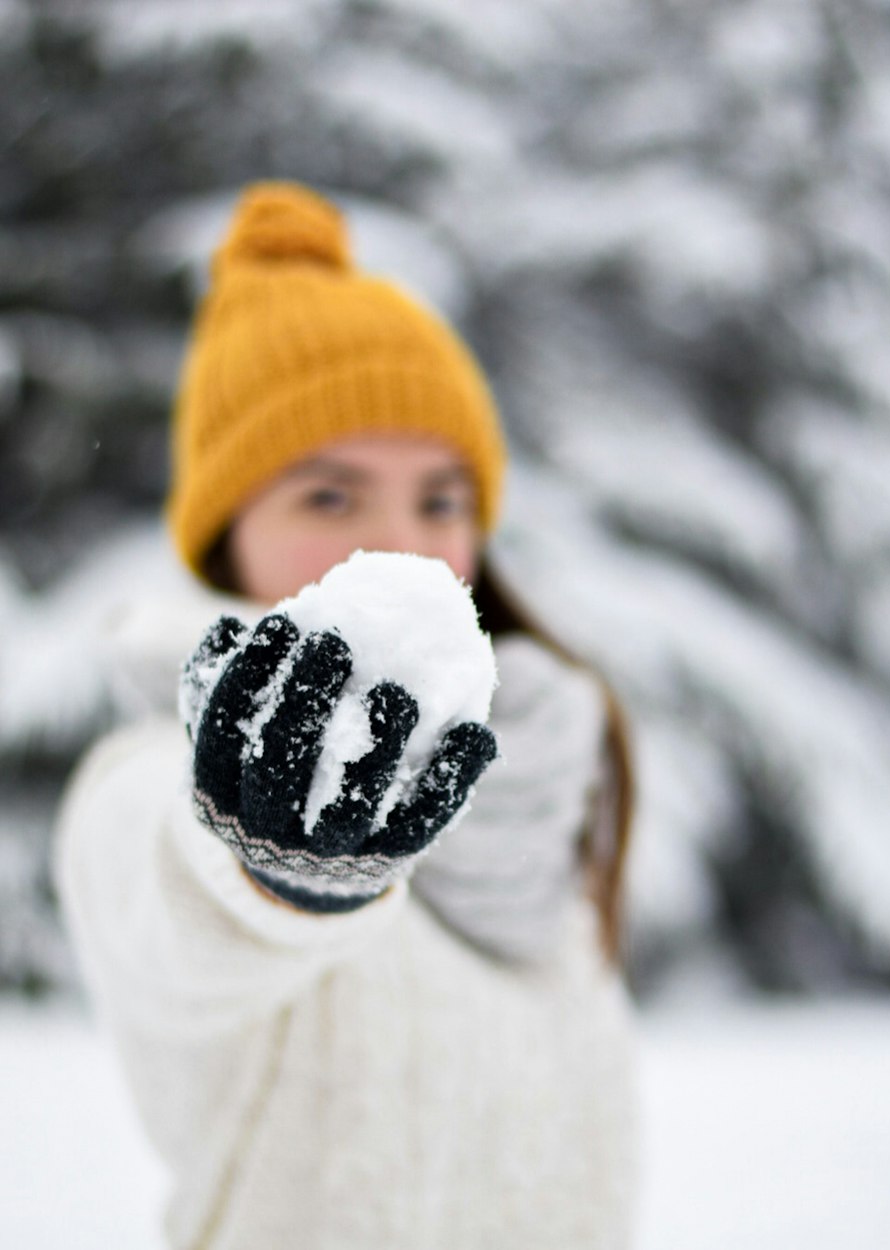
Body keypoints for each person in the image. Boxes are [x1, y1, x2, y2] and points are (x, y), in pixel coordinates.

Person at [55, 181, 638, 1249]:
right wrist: (275, 867)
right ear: (226, 535)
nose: (401, 541)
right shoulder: (151, 774)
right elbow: (181, 899)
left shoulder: (546, 766)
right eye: (329, 495)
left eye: (440, 498)